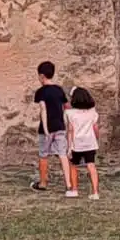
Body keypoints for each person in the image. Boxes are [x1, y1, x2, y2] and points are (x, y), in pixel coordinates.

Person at [31, 62, 70, 193]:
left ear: (42, 76)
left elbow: (43, 110)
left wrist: (46, 129)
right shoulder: (59, 90)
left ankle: (43, 183)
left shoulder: (41, 92)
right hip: (60, 126)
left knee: (43, 155)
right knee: (62, 154)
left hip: (46, 129)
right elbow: (65, 108)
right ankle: (69, 183)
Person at [64, 87, 101, 201]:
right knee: (91, 165)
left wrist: (69, 147)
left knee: (73, 165)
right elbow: (95, 127)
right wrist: (96, 138)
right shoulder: (92, 113)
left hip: (77, 143)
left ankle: (74, 189)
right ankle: (95, 192)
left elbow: (70, 130)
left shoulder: (70, 113)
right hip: (90, 142)